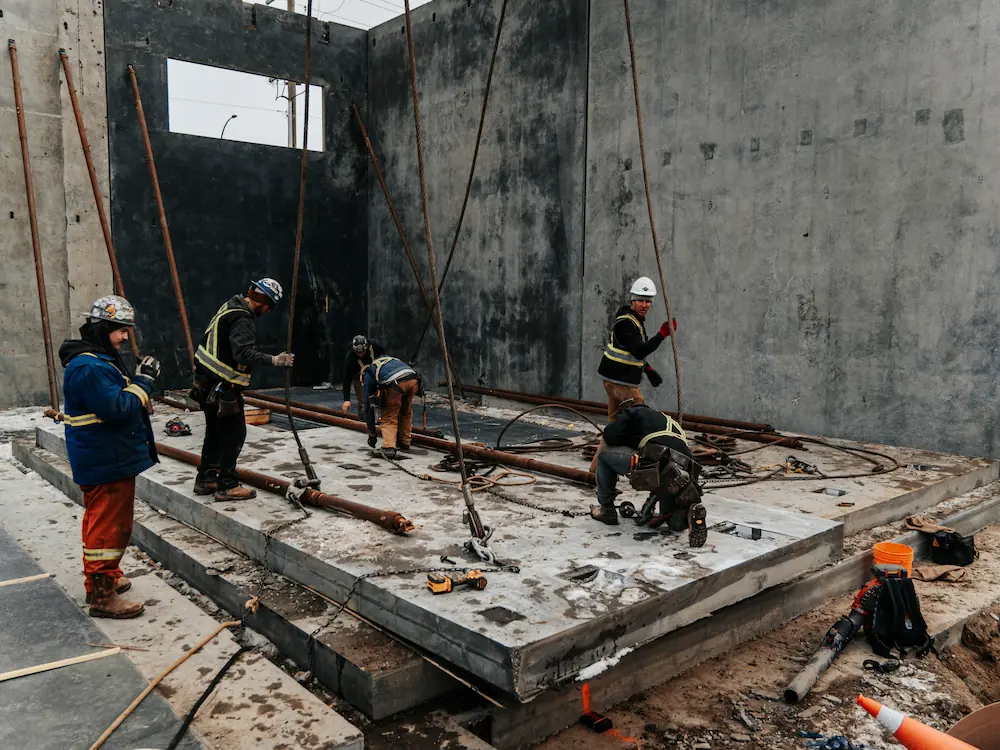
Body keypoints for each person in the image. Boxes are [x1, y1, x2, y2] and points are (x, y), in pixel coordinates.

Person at [59, 295, 160, 618]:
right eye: (120, 331)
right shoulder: (89, 367)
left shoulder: (98, 360)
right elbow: (116, 408)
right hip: (106, 460)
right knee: (108, 527)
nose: (125, 337)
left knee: (106, 522)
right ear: (102, 329)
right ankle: (102, 596)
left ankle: (105, 578)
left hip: (107, 457)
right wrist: (144, 382)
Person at [191, 278, 294, 500]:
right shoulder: (243, 319)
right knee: (234, 434)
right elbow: (243, 353)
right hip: (221, 387)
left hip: (205, 382)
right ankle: (227, 485)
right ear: (263, 300)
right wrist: (276, 360)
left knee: (215, 433)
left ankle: (206, 479)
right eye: (269, 306)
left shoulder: (230, 306)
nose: (267, 311)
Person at [590, 403, 707, 548]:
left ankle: (606, 509)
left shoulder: (634, 412)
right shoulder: (669, 421)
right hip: (684, 471)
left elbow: (610, 435)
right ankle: (689, 514)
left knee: (604, 456)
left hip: (657, 462)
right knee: (672, 521)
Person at [597, 276, 676, 420]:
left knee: (615, 419)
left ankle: (609, 441)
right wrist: (662, 334)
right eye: (640, 300)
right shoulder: (627, 322)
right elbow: (640, 351)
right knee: (639, 416)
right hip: (621, 382)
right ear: (633, 301)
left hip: (613, 379)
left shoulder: (633, 320)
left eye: (647, 301)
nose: (644, 305)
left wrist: (647, 369)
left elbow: (630, 352)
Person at [363, 356, 422, 459]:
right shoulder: (388, 361)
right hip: (413, 379)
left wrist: (372, 434)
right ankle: (404, 441)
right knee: (405, 411)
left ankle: (389, 448)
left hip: (395, 383)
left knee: (389, 415)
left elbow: (368, 406)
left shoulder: (368, 374)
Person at [341, 334, 384, 415]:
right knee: (364, 401)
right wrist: (346, 400)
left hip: (375, 371)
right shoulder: (350, 358)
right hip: (358, 376)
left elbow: (385, 356)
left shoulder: (375, 347)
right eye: (358, 353)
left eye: (362, 352)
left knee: (382, 397)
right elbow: (346, 379)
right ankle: (364, 420)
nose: (360, 354)